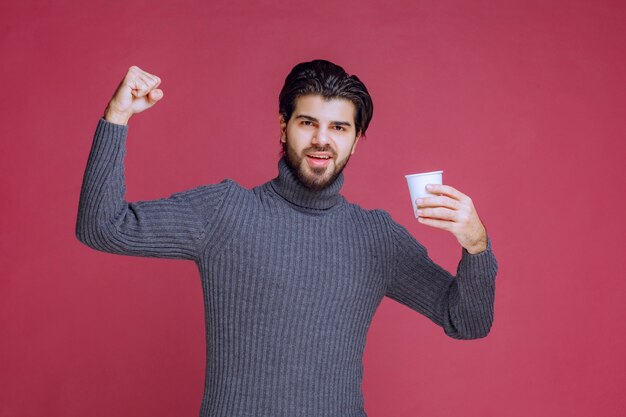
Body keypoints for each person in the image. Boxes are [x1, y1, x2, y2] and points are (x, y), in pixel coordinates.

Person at [76, 60, 497, 417]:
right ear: (283, 127)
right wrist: (117, 116)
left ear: (356, 141)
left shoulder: (376, 238)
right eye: (308, 122)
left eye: (339, 127)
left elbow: (468, 323)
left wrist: (476, 245)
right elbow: (102, 227)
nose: (321, 140)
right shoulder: (226, 212)